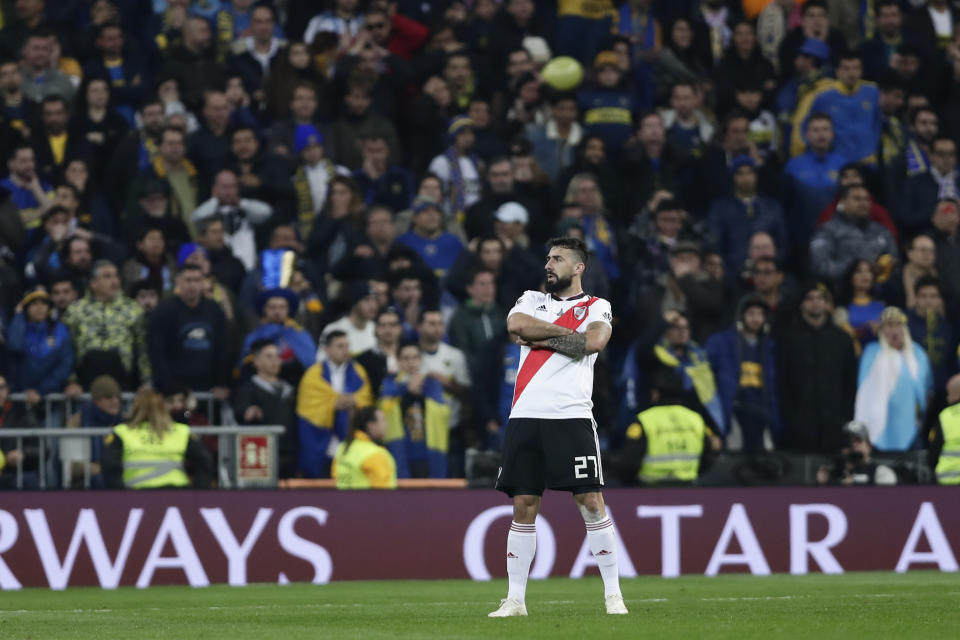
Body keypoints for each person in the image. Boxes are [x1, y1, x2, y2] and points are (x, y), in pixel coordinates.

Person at [489, 236, 626, 618]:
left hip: (572, 416)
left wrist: (541, 339)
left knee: (592, 502)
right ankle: (515, 600)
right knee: (524, 504)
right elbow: (515, 325)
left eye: (558, 259)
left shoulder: (597, 306)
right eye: (548, 258)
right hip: (526, 415)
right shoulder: (532, 300)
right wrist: (570, 340)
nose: (549, 264)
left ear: (579, 267)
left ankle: (613, 596)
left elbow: (594, 342)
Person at [777, 281, 859, 453]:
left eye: (820, 298)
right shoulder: (788, 339)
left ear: (827, 303)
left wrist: (846, 417)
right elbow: (781, 382)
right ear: (801, 304)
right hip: (800, 428)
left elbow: (851, 382)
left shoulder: (842, 339)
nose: (815, 302)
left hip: (835, 425)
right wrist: (791, 418)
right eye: (810, 298)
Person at [618, 370, 719, 485]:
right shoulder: (696, 419)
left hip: (649, 490)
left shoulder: (644, 420)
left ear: (655, 394)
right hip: (688, 487)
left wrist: (631, 484)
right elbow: (710, 453)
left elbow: (628, 461)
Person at [296, 330, 374, 478]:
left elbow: (366, 400)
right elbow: (308, 408)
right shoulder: (313, 375)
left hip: (351, 439)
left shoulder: (359, 372)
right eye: (339, 346)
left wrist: (354, 401)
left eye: (347, 346)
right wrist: (333, 404)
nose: (345, 350)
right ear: (327, 349)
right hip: (323, 440)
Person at [705, 296, 780, 452]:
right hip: (733, 408)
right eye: (751, 314)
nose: (756, 319)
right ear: (741, 316)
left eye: (760, 315)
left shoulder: (770, 346)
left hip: (762, 409)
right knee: (734, 456)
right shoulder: (721, 342)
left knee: (766, 454)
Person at [62, 260, 150, 389]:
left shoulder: (132, 308)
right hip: (85, 380)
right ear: (93, 283)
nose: (114, 281)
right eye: (107, 276)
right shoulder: (76, 310)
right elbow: (67, 349)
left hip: (122, 378)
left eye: (116, 276)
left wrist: (146, 380)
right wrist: (71, 381)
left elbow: (143, 348)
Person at [855, 306, 932, 452]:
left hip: (911, 426)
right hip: (879, 429)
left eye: (898, 325)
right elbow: (863, 391)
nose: (894, 330)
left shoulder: (917, 354)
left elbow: (927, 388)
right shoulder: (872, 353)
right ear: (882, 329)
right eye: (889, 325)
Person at [101, 389, 214, 489]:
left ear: (135, 407)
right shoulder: (181, 431)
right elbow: (205, 461)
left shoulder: (121, 432)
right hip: (178, 496)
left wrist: (119, 495)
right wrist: (198, 492)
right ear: (162, 407)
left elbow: (110, 467)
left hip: (135, 496)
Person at [147, 264, 230, 397]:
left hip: (208, 388)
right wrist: (169, 386)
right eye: (188, 280)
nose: (192, 285)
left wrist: (222, 382)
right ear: (178, 282)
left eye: (197, 280)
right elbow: (156, 352)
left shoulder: (214, 310)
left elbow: (223, 348)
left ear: (203, 283)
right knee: (183, 417)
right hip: (175, 389)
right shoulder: (164, 311)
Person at [379, 340, 451, 478]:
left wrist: (421, 397)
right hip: (400, 450)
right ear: (398, 361)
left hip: (430, 452)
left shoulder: (431, 383)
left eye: (415, 357)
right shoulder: (390, 384)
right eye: (406, 358)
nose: (411, 362)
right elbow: (385, 412)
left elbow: (443, 414)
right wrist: (408, 393)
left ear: (420, 359)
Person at [233, 340, 299, 479]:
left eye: (277, 356)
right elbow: (240, 411)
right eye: (269, 356)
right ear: (256, 362)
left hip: (289, 451)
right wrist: (248, 411)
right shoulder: (248, 388)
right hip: (260, 453)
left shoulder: (289, 389)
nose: (275, 361)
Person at [809, 184, 898, 285]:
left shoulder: (882, 231)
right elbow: (820, 266)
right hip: (840, 292)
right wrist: (856, 270)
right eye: (857, 199)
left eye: (866, 199)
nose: (863, 203)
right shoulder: (828, 230)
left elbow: (895, 263)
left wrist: (882, 269)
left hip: (878, 292)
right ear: (842, 202)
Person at [6, 288, 73, 400]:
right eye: (34, 304)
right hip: (21, 397)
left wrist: (41, 391)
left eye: (44, 303)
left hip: (51, 397)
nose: (40, 308)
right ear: (26, 308)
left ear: (49, 307)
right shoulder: (19, 328)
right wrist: (19, 316)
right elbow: (15, 346)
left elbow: (65, 365)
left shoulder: (60, 330)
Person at [332, 405, 397, 489]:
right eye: (383, 420)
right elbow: (385, 494)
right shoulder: (376, 455)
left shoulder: (342, 447)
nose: (386, 424)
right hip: (367, 502)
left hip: (341, 501)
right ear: (371, 426)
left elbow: (335, 476)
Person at [817, 420, 898, 485]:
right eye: (849, 440)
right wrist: (824, 483)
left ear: (869, 446)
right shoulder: (833, 473)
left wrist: (856, 489)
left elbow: (886, 499)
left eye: (858, 440)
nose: (853, 444)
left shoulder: (880, 472)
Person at [930, 374, 960, 484]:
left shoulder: (945, 416)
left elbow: (933, 452)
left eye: (949, 394)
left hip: (947, 482)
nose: (947, 398)